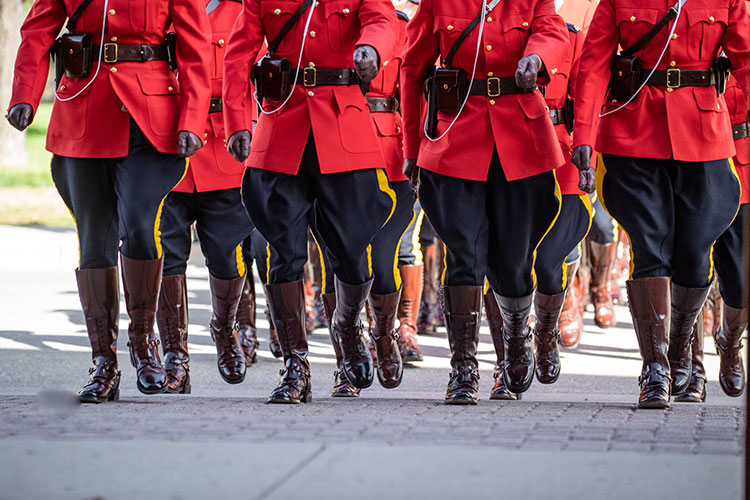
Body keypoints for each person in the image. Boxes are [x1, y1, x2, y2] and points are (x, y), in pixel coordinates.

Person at [6, 0, 211, 402]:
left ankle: (143, 344)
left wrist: (192, 118)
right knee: (93, 236)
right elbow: (37, 31)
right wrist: (25, 95)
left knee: (139, 221)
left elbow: (195, 46)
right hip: (84, 108)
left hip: (150, 115)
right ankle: (103, 361)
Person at [572, 0, 750, 409]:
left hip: (703, 134)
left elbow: (744, 57)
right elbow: (595, 61)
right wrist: (584, 133)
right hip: (634, 132)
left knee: (694, 252)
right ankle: (654, 368)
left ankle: (680, 351)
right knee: (649, 246)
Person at [223, 0, 398, 404]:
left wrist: (372, 48)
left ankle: (349, 324)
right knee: (282, 252)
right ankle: (295, 364)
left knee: (352, 249)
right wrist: (238, 121)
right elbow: (238, 53)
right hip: (282, 123)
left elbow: (382, 19)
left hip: (343, 124)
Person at [401, 0, 570, 404]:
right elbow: (412, 69)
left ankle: (515, 334)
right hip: (455, 139)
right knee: (463, 252)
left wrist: (536, 57)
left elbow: (553, 32)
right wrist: (411, 147)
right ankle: (463, 368)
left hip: (520, 141)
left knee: (513, 259)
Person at [156, 0, 253, 394]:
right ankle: (174, 355)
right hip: (167, 146)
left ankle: (225, 330)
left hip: (223, 149)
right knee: (165, 254)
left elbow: (254, 79)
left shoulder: (242, 11)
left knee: (226, 255)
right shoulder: (159, 9)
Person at [677, 73, 750, 402]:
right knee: (691, 269)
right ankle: (692, 367)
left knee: (740, 279)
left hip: (741, 165)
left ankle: (730, 343)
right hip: (695, 163)